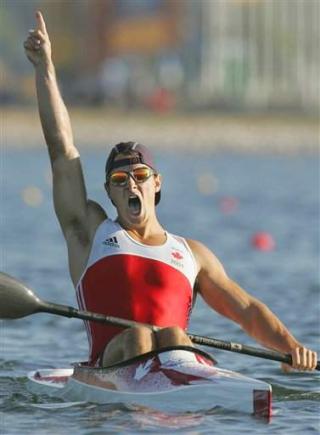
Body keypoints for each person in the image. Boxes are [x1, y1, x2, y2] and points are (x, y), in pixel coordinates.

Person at [24, 11, 317, 371]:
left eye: (140, 175)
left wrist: (292, 349)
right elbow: (62, 151)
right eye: (120, 181)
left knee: (174, 337)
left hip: (177, 367)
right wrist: (45, 68)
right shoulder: (90, 233)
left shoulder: (192, 255)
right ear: (109, 192)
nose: (131, 183)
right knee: (141, 336)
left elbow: (246, 310)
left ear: (156, 183)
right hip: (113, 370)